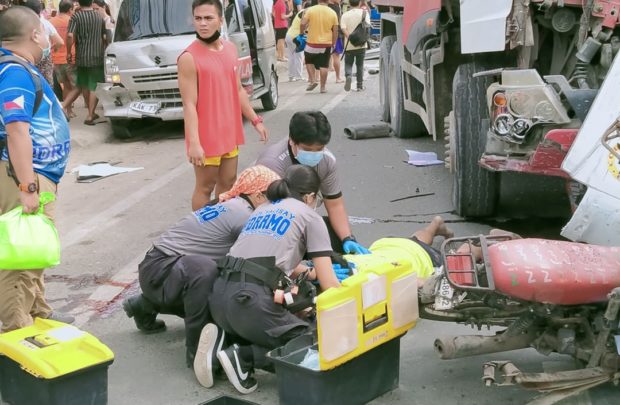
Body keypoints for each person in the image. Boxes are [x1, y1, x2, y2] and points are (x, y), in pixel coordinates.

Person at [122, 166, 280, 379]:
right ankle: (198, 352)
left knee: (216, 278)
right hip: (162, 268)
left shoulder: (233, 205)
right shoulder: (244, 215)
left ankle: (144, 305)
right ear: (258, 194)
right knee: (207, 272)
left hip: (159, 270)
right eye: (273, 197)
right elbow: (262, 256)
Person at [204, 165, 341, 394]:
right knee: (316, 341)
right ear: (309, 196)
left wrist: (309, 274)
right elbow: (330, 287)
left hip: (219, 296)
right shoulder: (309, 215)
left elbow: (270, 258)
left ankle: (223, 345)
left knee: (288, 306)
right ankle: (244, 356)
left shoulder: (263, 208)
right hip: (249, 303)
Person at [0, 5, 73, 332]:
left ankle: (39, 309)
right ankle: (17, 324)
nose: (48, 37)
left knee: (36, 245)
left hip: (36, 174)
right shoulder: (14, 72)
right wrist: (28, 186)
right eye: (44, 31)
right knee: (22, 252)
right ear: (33, 34)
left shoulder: (18, 68)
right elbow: (16, 131)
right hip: (23, 176)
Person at [178, 0, 269, 211]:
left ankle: (220, 225)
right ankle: (201, 232)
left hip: (229, 130)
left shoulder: (230, 49)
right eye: (198, 18)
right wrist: (194, 142)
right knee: (205, 186)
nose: (203, 23)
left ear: (220, 20)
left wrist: (255, 120)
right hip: (206, 134)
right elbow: (189, 104)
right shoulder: (188, 58)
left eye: (208, 18)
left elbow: (238, 90)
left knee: (228, 183)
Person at [256, 110, 370, 255]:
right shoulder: (271, 164)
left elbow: (335, 205)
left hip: (299, 222)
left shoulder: (326, 161)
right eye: (307, 149)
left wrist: (348, 238)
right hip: (273, 227)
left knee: (331, 234)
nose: (314, 154)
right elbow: (267, 222)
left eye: (319, 149)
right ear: (292, 140)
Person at [62, 0, 107, 125]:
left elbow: (70, 35)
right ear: (91, 2)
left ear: (79, 3)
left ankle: (65, 108)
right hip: (97, 55)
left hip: (81, 56)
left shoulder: (76, 16)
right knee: (94, 85)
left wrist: (69, 51)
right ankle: (90, 115)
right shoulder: (99, 16)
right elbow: (104, 36)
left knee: (83, 85)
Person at [22, 0, 65, 85]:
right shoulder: (45, 23)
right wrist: (52, 49)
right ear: (40, 10)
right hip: (44, 58)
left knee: (31, 83)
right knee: (46, 84)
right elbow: (60, 42)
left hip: (27, 58)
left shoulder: (21, 24)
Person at [300, 0, 338, 93]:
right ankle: (323, 87)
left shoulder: (311, 10)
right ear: (328, 1)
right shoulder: (333, 12)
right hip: (326, 43)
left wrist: (301, 34)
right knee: (324, 65)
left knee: (308, 61)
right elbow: (335, 30)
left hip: (311, 42)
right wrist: (333, 43)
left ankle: (313, 80)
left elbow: (302, 23)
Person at [49, 0, 76, 117]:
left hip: (56, 59)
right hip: (70, 58)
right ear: (70, 9)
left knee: (66, 85)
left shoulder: (51, 21)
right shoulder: (71, 21)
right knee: (76, 87)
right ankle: (65, 108)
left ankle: (68, 111)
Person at [340, 0, 369, 91]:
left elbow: (343, 28)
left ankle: (348, 75)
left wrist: (350, 38)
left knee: (348, 63)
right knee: (360, 65)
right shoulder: (365, 13)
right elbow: (367, 26)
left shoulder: (345, 15)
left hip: (349, 45)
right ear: (360, 3)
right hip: (361, 44)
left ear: (349, 3)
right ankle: (359, 86)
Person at [284, 5, 304, 81]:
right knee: (299, 57)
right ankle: (299, 76)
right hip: (296, 37)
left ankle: (291, 76)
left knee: (291, 57)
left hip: (289, 35)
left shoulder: (301, 12)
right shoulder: (305, 13)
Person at [327, 0, 342, 83]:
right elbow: (337, 23)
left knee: (324, 55)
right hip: (335, 34)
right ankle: (337, 77)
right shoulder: (335, 7)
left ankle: (317, 78)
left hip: (325, 33)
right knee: (336, 56)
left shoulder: (324, 7)